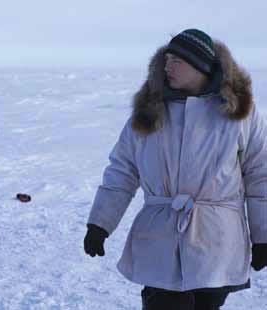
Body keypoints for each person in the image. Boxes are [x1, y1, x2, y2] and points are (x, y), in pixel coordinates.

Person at [84, 29, 267, 310]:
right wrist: (100, 223)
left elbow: (260, 175)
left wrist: (263, 236)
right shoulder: (149, 111)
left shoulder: (239, 112)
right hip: (160, 236)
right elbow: (122, 170)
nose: (167, 66)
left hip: (216, 240)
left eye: (177, 60)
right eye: (166, 59)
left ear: (201, 67)